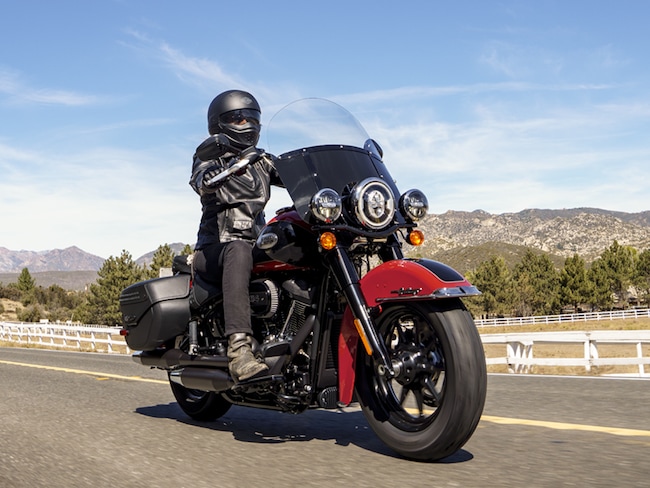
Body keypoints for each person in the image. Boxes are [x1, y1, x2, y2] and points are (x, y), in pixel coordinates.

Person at [189, 89, 283, 382]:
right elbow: (201, 180)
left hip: (253, 246)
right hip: (215, 250)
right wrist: (212, 177)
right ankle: (239, 349)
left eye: (251, 118)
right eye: (238, 118)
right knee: (239, 248)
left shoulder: (262, 161)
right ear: (220, 123)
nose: (246, 124)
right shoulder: (210, 156)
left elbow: (299, 175)